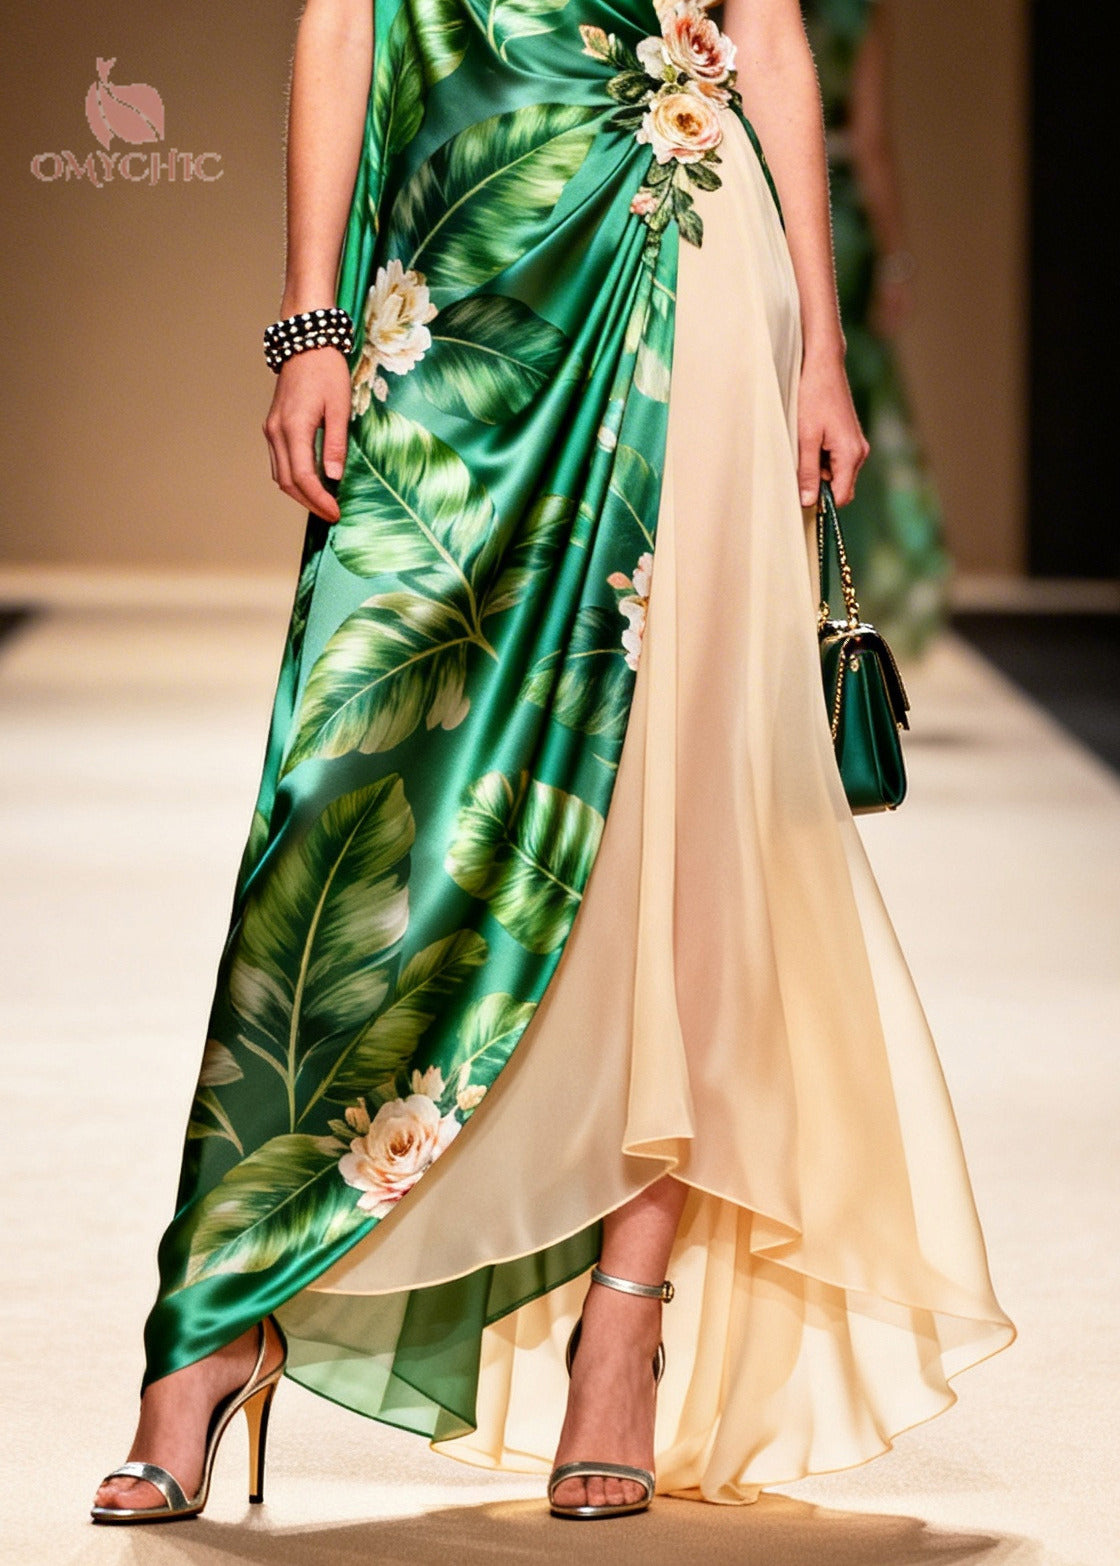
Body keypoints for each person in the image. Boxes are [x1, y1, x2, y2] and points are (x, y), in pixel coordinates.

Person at [92, 0, 1014, 1525]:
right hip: (448, 279)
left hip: (676, 262)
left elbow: (771, 34)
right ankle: (220, 1306)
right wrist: (311, 320)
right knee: (344, 790)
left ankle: (622, 1328)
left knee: (679, 806)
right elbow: (342, 19)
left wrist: (822, 346)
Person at [804, 0, 950, 658]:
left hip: (769, 202)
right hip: (841, 221)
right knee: (851, 407)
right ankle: (842, 594)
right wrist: (894, 259)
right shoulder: (858, 12)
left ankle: (805, 595)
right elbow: (870, 141)